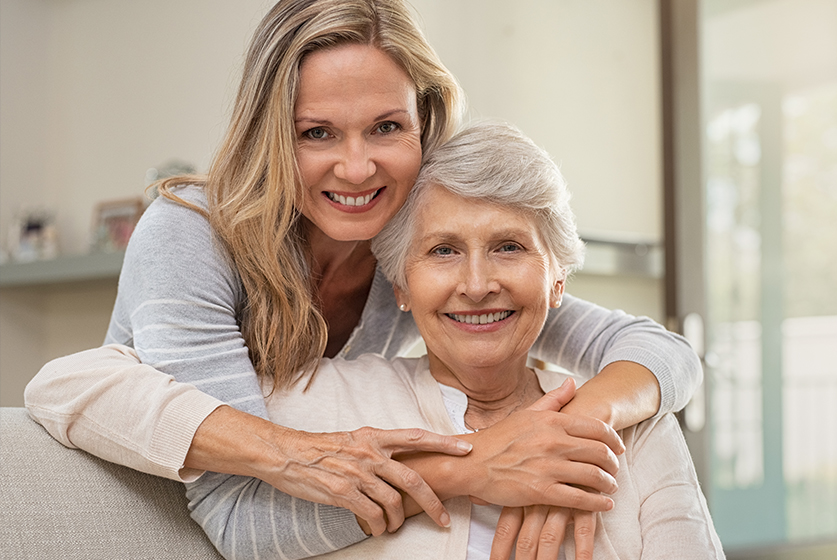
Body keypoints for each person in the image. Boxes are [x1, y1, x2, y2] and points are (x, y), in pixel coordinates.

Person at [25, 0, 703, 558]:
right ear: (271, 136)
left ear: (425, 121)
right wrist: (476, 466)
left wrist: (564, 434)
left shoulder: (413, 249)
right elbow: (235, 517)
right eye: (317, 133)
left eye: (385, 127)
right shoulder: (193, 235)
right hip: (148, 519)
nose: (357, 169)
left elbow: (661, 352)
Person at [233, 120, 728, 558]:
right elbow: (240, 530)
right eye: (444, 250)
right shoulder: (315, 400)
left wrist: (569, 436)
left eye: (508, 247)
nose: (476, 284)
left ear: (558, 280)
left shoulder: (637, 425)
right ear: (401, 285)